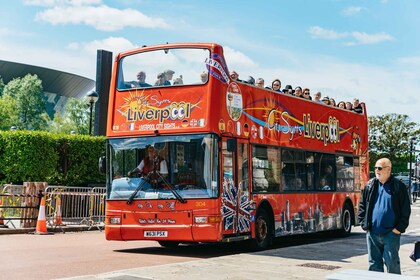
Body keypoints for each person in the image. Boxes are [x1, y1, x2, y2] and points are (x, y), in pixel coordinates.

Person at [358, 158, 411, 274]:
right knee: (374, 265)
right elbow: (362, 205)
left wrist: (399, 229)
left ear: (388, 169)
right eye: (375, 168)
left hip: (391, 234)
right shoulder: (370, 185)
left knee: (392, 265)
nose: (377, 170)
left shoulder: (398, 186)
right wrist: (363, 223)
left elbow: (406, 209)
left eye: (380, 168)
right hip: (373, 233)